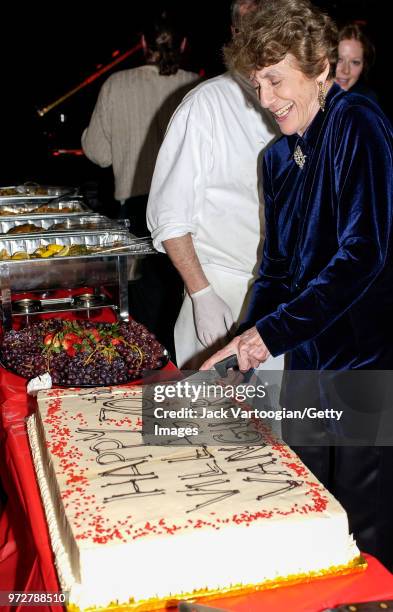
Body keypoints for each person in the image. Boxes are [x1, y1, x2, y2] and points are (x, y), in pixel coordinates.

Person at [201, 0, 393, 569]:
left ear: (319, 70)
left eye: (275, 80)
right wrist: (243, 344)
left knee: (364, 525)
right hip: (310, 362)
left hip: (366, 364)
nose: (265, 100)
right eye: (256, 83)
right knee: (310, 504)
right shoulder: (278, 159)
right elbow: (279, 270)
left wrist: (267, 337)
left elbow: (364, 255)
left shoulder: (357, 121)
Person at [147, 0, 279, 368]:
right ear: (236, 35)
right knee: (212, 420)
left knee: (279, 421)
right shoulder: (206, 104)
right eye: (254, 27)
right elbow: (170, 217)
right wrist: (202, 294)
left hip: (282, 301)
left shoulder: (297, 104)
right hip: (220, 293)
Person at [82, 12, 199, 357]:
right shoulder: (197, 85)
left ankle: (146, 390)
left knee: (141, 317)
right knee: (184, 307)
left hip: (135, 212)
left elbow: (98, 154)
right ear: (183, 44)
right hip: (188, 214)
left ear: (143, 43)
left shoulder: (116, 85)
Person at [335, 23, 378, 101]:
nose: (346, 70)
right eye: (339, 60)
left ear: (364, 66)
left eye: (355, 62)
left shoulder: (366, 105)